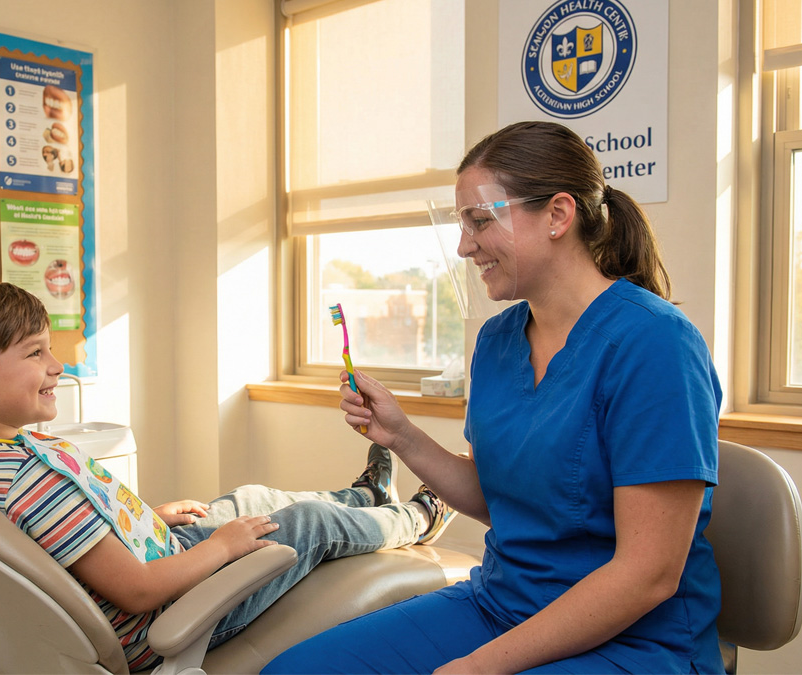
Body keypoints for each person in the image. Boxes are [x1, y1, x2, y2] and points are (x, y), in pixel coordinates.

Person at [263, 120, 723, 674]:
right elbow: (502, 500)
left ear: (557, 215)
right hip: (501, 607)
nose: (463, 246)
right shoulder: (499, 341)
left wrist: (483, 665)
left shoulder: (656, 345)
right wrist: (401, 436)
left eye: (480, 221)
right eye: (462, 224)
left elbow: (648, 574)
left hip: (632, 640)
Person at [0, 280, 456, 672]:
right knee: (306, 524)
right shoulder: (25, 481)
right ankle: (416, 517)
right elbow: (137, 591)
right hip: (162, 613)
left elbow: (60, 539)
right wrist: (220, 547)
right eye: (35, 353)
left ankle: (363, 496)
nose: (56, 365)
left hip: (154, 547)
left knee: (249, 498)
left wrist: (146, 515)